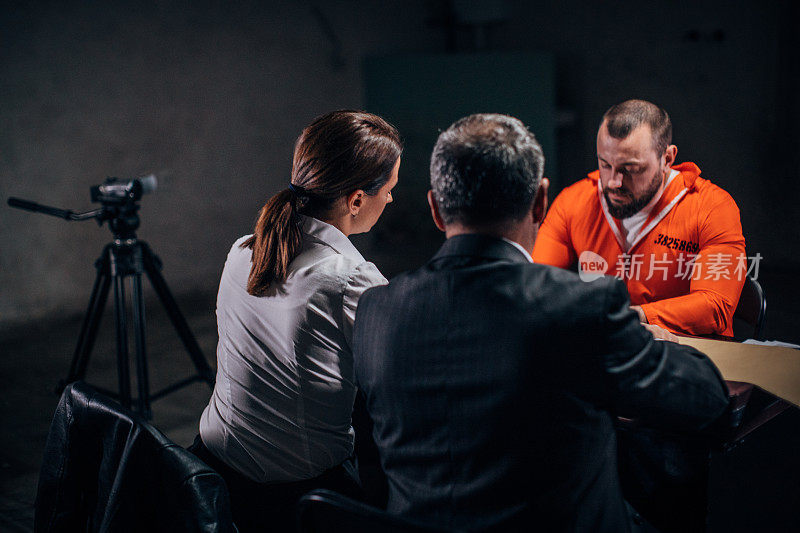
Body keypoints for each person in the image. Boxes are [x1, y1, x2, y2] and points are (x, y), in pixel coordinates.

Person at [352, 113, 730, 532]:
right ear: (540, 201)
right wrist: (649, 341)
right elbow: (707, 402)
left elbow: (369, 459)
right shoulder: (583, 307)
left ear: (436, 209)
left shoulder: (374, 310)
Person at [190, 110, 401, 532]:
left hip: (210, 467)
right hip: (291, 497)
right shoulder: (354, 280)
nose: (392, 199)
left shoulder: (242, 252)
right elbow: (404, 384)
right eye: (390, 189)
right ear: (356, 200)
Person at [532, 99, 746, 337]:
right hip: (608, 352)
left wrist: (629, 318)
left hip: (691, 357)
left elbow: (716, 307)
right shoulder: (575, 200)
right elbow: (531, 281)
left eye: (630, 169)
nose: (614, 182)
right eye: (605, 164)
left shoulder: (711, 207)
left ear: (667, 158)